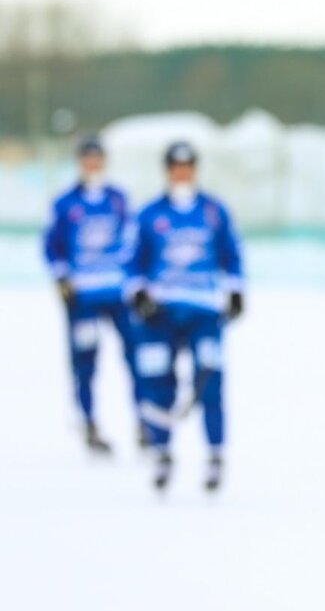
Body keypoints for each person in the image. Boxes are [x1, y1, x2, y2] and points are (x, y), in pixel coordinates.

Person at [126, 141, 244, 491]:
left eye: (188, 165)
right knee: (157, 379)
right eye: (176, 166)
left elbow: (231, 254)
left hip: (204, 309)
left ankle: (215, 454)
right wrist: (138, 294)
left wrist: (236, 289)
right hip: (160, 313)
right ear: (167, 170)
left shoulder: (214, 211)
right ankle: (161, 451)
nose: (183, 172)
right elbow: (132, 262)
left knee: (209, 380)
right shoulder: (149, 214)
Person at [43, 135, 141, 453]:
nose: (92, 164)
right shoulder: (65, 203)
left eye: (97, 159)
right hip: (83, 295)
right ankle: (88, 421)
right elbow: (52, 245)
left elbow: (134, 240)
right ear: (80, 162)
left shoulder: (118, 200)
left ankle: (144, 421)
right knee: (85, 361)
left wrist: (135, 281)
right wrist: (62, 278)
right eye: (87, 159)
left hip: (117, 292)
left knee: (136, 355)